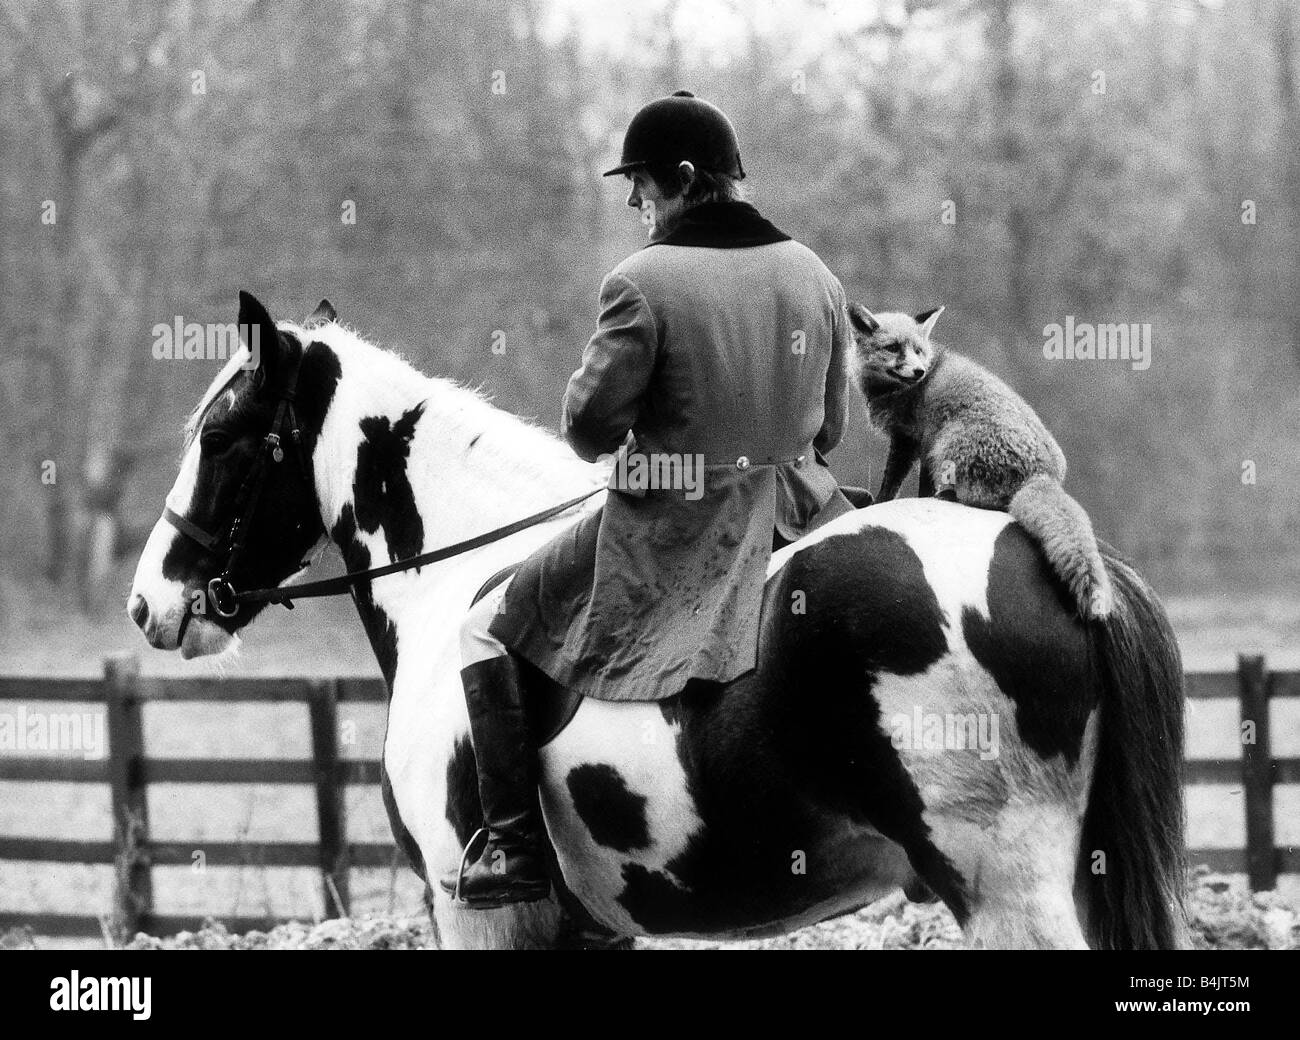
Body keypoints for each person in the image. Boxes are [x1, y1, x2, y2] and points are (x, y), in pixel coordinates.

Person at [440, 91, 856, 908]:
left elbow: (589, 428)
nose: (635, 204)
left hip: (683, 521)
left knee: (483, 628)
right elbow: (832, 429)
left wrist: (649, 457)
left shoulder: (642, 281)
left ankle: (515, 848)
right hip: (803, 507)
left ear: (686, 178)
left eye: (640, 186)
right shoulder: (815, 274)